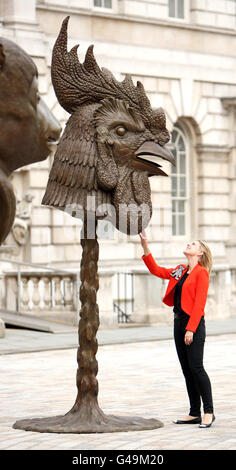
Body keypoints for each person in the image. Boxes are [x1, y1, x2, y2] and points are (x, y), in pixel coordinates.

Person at [139, 229, 215, 428]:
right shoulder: (180, 270)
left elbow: (199, 305)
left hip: (194, 325)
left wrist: (191, 329)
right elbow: (157, 270)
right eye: (189, 243)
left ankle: (208, 412)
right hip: (178, 322)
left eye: (193, 244)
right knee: (187, 370)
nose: (189, 244)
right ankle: (194, 413)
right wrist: (145, 246)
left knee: (197, 368)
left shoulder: (202, 273)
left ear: (200, 253)